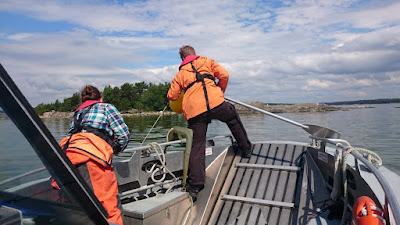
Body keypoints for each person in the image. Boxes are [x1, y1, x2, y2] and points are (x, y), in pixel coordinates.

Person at [167, 45, 252, 201]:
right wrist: (220, 90)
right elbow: (224, 75)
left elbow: (172, 96)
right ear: (194, 54)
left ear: (182, 59)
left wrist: (184, 90)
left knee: (197, 145)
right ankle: (246, 149)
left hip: (195, 112)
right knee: (232, 118)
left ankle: (195, 186)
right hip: (217, 104)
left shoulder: (180, 74)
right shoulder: (207, 62)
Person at [52, 85, 130, 225]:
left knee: (77, 205)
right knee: (108, 206)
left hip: (66, 158)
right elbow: (123, 136)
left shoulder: (77, 113)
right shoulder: (106, 107)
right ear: (100, 98)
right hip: (91, 158)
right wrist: (113, 151)